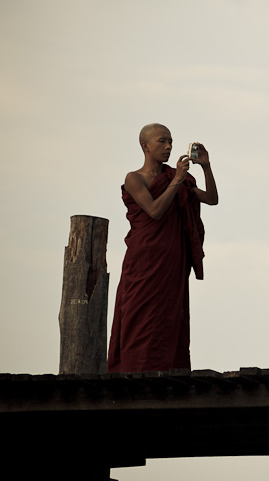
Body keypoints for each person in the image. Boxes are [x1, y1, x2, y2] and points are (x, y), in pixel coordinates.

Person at [108, 123, 218, 373]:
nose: (168, 147)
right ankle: (133, 372)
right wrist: (177, 181)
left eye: (170, 141)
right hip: (144, 260)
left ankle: (168, 373)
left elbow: (211, 199)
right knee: (139, 316)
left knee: (168, 317)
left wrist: (206, 167)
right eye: (162, 141)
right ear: (145, 146)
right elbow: (155, 211)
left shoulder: (175, 177)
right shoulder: (134, 178)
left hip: (172, 261)